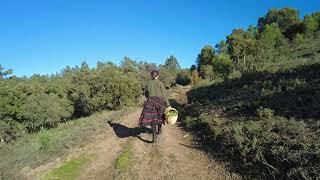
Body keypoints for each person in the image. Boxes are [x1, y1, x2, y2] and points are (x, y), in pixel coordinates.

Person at [139, 70, 170, 142]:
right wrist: (168, 105)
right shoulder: (160, 83)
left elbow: (146, 93)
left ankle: (154, 136)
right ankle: (159, 130)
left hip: (151, 101)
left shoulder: (148, 83)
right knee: (160, 116)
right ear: (158, 75)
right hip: (160, 102)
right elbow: (164, 95)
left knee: (152, 119)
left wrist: (149, 98)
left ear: (151, 75)